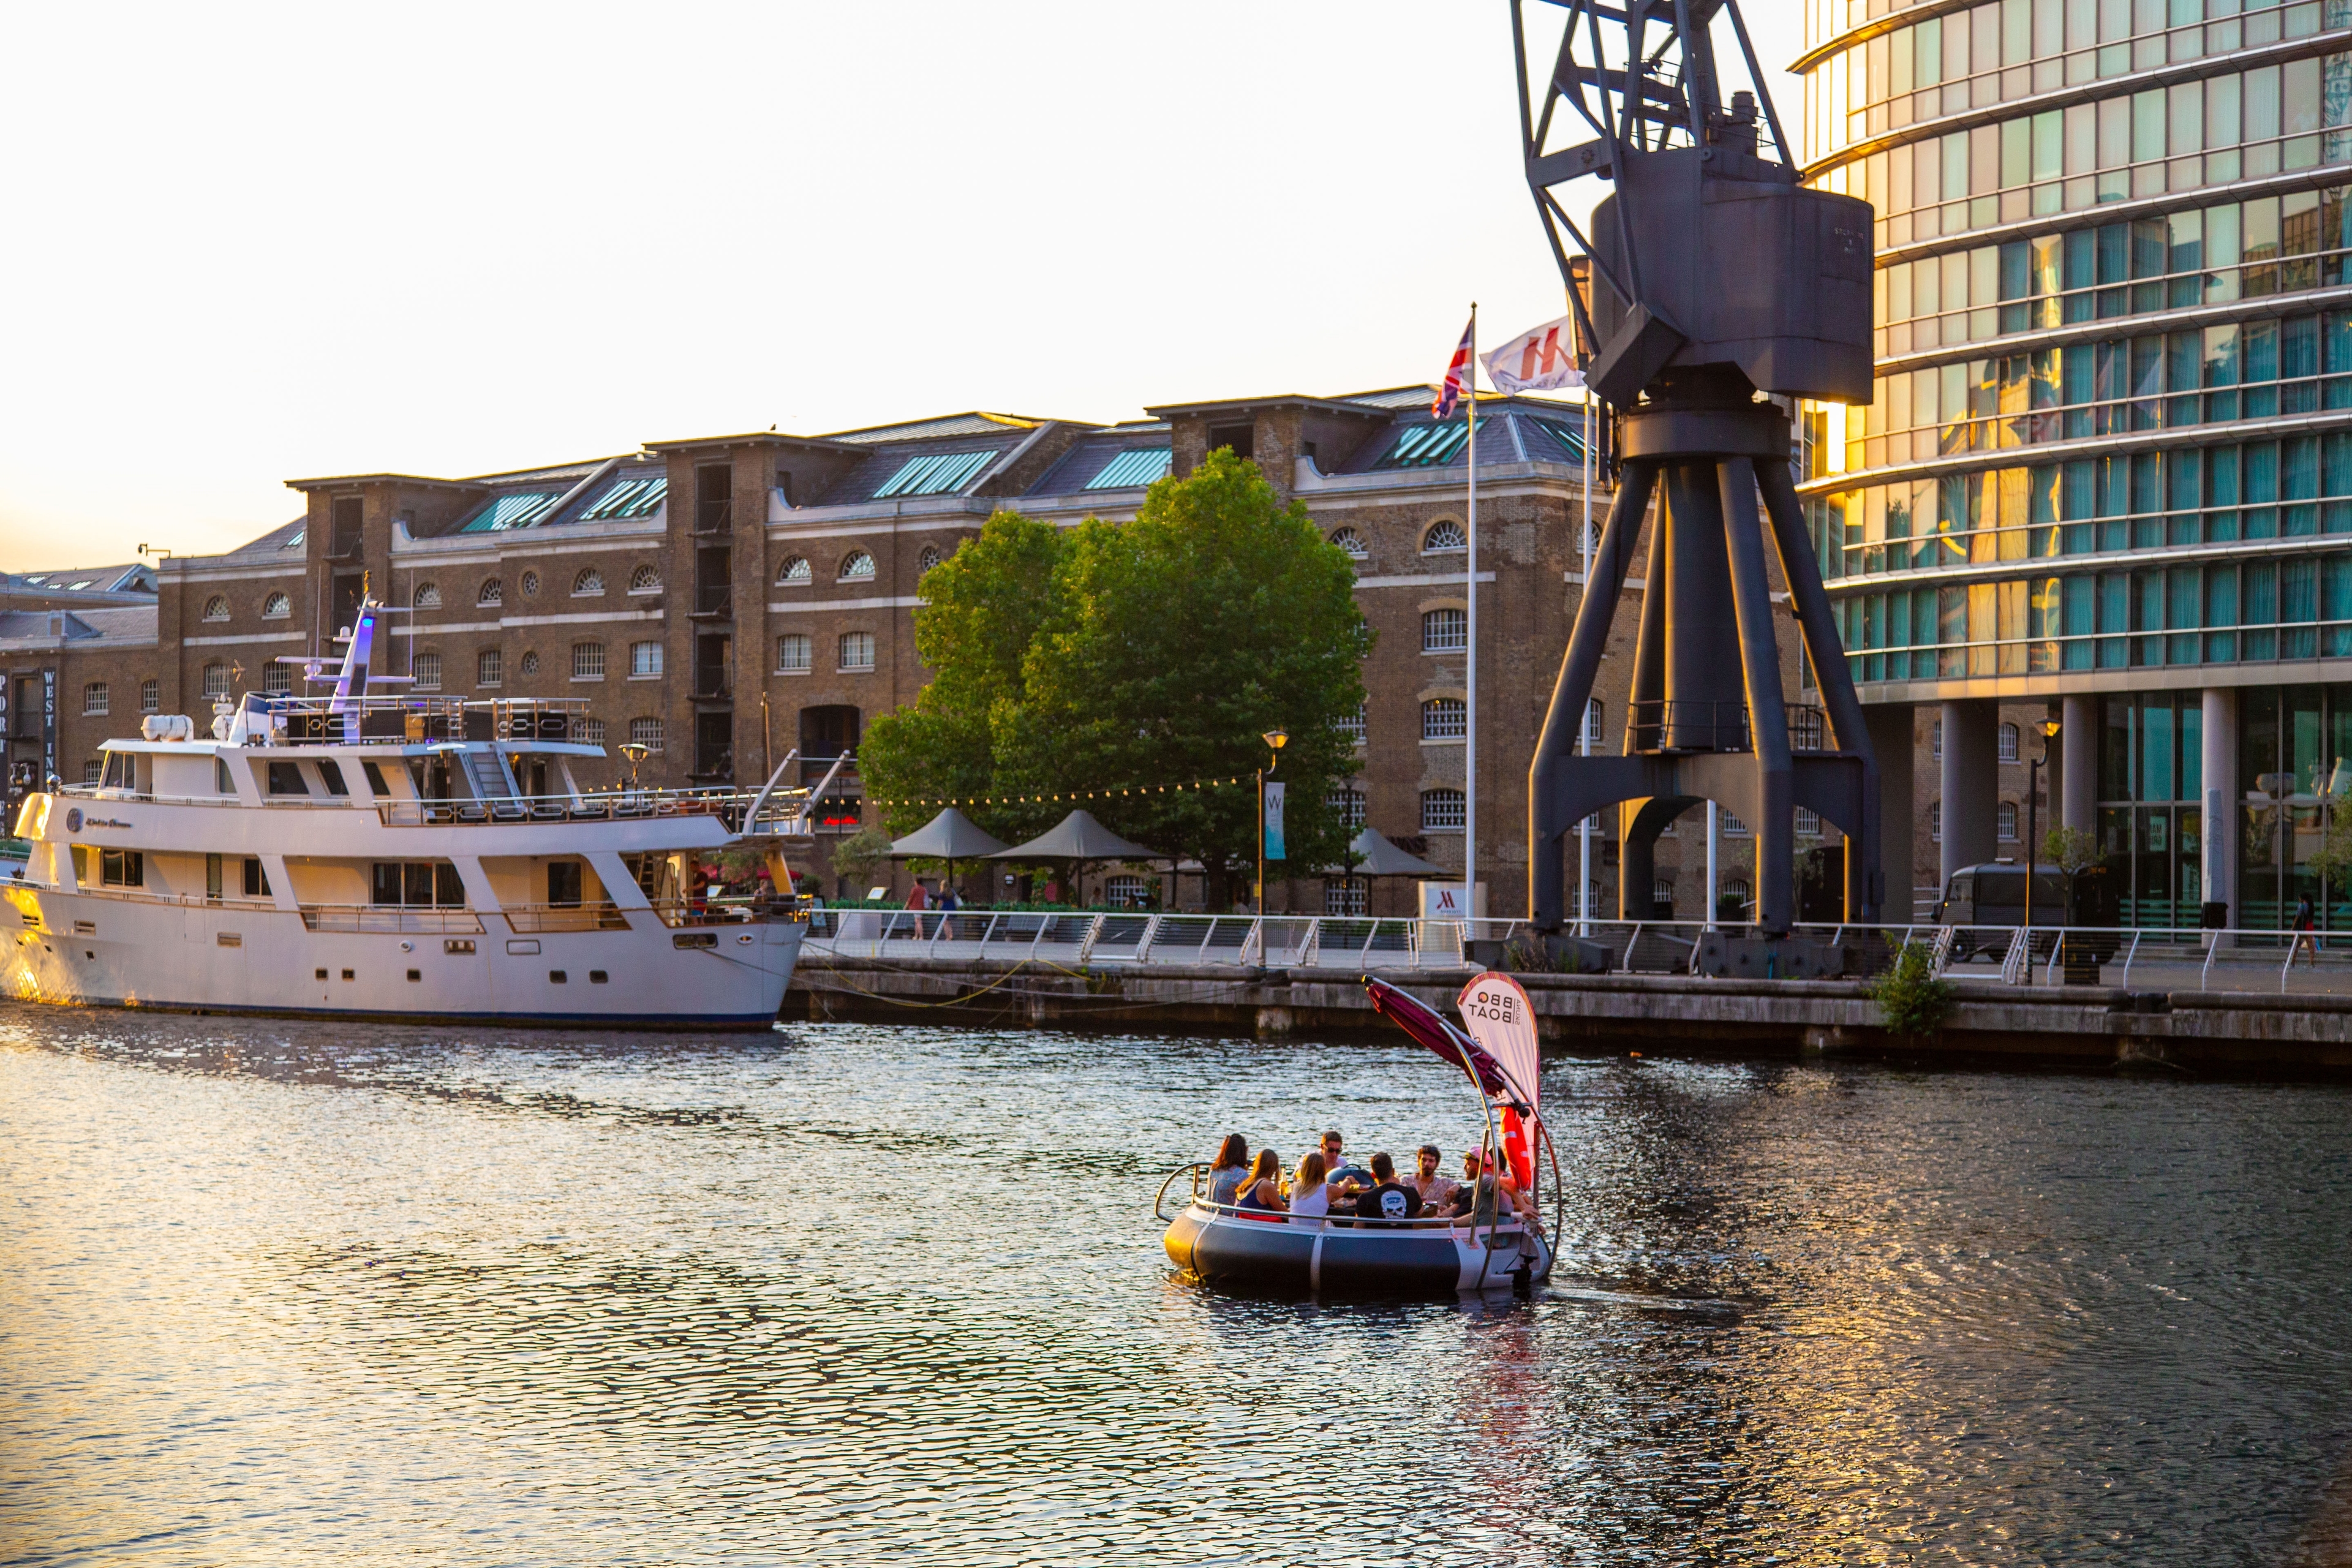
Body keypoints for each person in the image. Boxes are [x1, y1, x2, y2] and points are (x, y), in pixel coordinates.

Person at [1349, 1152, 1423, 1223]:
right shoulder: (1412, 1193)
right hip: (1405, 1236)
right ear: (1393, 1171)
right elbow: (1419, 1213)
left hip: (1376, 1236)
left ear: (1373, 1176)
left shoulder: (1365, 1198)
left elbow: (1358, 1228)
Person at [1235, 1150, 1287, 1221]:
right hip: (1260, 1228)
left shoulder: (1246, 1183)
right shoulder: (1265, 1185)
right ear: (1275, 1168)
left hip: (1245, 1226)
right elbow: (1286, 1215)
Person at [1319, 1130, 1371, 1198]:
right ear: (1322, 1147)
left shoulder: (1342, 1164)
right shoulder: (1310, 1161)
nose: (1334, 1154)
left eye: (1338, 1151)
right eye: (1331, 1150)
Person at [1287, 1151, 1330, 1229]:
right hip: (1315, 1233)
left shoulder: (1295, 1187)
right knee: (1329, 1222)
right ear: (1323, 1170)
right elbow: (1342, 1189)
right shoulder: (1328, 1189)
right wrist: (1349, 1180)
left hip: (1294, 1230)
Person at [1409, 1144, 1458, 1210]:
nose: (1427, 1164)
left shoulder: (1446, 1184)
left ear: (1437, 1164)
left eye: (1431, 1161)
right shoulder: (1406, 1182)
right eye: (1424, 1160)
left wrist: (1459, 1187)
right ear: (1418, 1162)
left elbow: (1466, 1196)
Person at [1207, 1134, 1250, 1207]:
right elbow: (1247, 1201)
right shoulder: (1242, 1175)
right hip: (1228, 1216)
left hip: (1211, 1212)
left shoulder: (1214, 1170)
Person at [2293, 892, 2320, 967]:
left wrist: (2293, 927)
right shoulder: (2311, 906)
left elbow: (2298, 916)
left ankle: (2292, 961)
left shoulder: (2302, 906)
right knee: (2311, 946)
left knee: (2295, 945)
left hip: (2303, 927)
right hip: (2310, 926)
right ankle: (2311, 962)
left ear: (2302, 899)